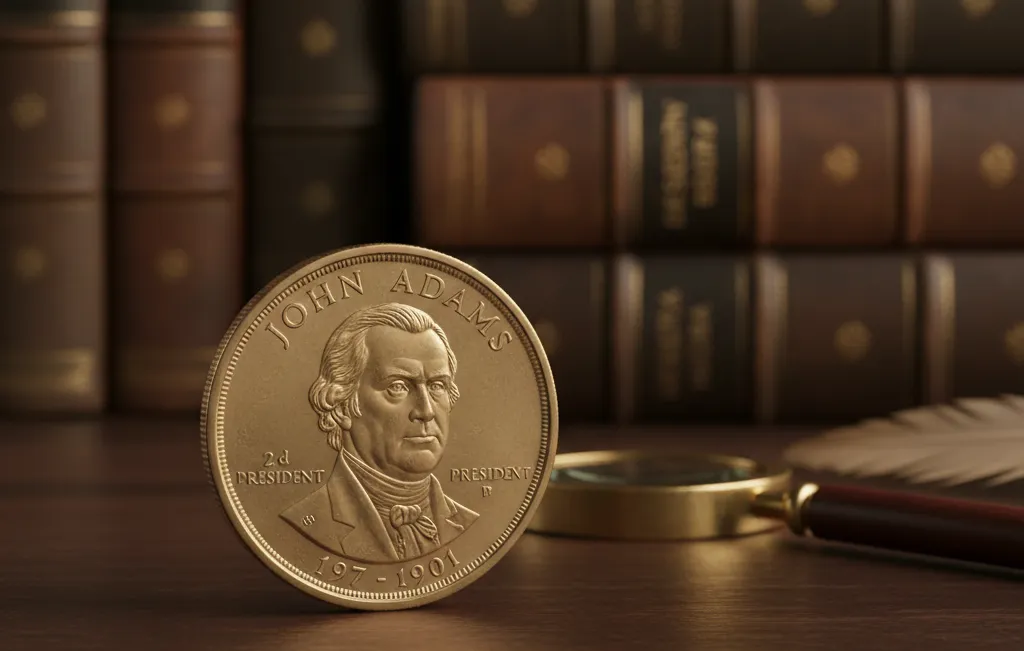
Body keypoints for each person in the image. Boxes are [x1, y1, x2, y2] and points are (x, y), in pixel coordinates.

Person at [280, 302, 479, 563]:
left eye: (437, 385)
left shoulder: (467, 522)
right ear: (341, 405)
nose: (426, 410)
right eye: (398, 386)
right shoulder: (308, 524)